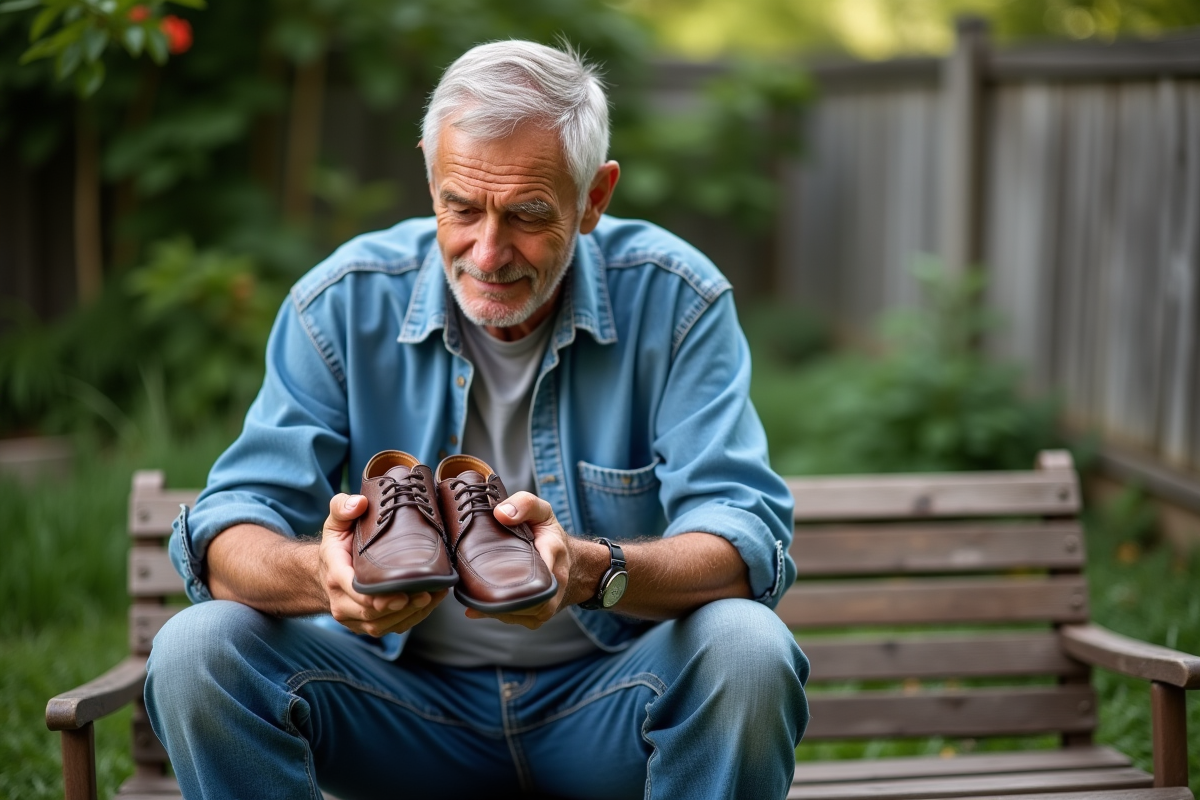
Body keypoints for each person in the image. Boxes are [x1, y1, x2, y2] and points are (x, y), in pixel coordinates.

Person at [145, 39, 809, 800]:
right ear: (430, 176)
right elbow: (231, 525)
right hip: (397, 710)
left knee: (748, 648)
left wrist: (589, 572)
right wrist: (321, 576)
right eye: (461, 208)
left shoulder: (677, 299)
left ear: (594, 197)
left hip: (611, 704)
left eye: (528, 214)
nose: (488, 253)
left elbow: (742, 538)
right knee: (197, 645)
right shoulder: (341, 302)